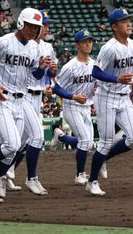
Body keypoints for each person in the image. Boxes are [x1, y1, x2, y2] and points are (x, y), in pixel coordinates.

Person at [0, 8, 53, 203]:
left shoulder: (35, 48)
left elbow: (34, 75)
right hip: (0, 98)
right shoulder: (3, 41)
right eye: (29, 25)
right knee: (12, 143)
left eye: (36, 27)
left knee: (11, 154)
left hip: (21, 99)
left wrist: (42, 68)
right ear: (20, 23)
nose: (32, 30)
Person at [88, 8, 133, 196]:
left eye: (129, 20)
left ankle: (103, 159)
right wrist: (117, 80)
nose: (128, 23)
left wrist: (132, 83)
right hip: (106, 96)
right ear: (114, 26)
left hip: (124, 96)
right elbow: (95, 72)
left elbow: (130, 69)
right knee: (105, 141)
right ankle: (92, 181)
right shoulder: (109, 47)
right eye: (123, 21)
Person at [7, 10, 58, 197]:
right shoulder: (24, 46)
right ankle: (31, 178)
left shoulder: (47, 47)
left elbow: (46, 76)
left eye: (45, 25)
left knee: (22, 140)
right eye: (42, 25)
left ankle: (5, 172)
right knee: (36, 137)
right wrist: (41, 69)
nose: (45, 28)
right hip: (24, 94)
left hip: (37, 96)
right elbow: (31, 74)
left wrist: (51, 72)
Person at [51, 30, 97, 187]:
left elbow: (95, 84)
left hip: (85, 106)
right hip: (71, 106)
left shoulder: (94, 64)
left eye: (90, 41)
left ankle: (61, 137)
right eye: (84, 41)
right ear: (77, 45)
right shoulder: (69, 67)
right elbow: (56, 89)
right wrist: (73, 96)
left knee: (89, 143)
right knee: (84, 141)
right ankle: (79, 175)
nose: (88, 44)